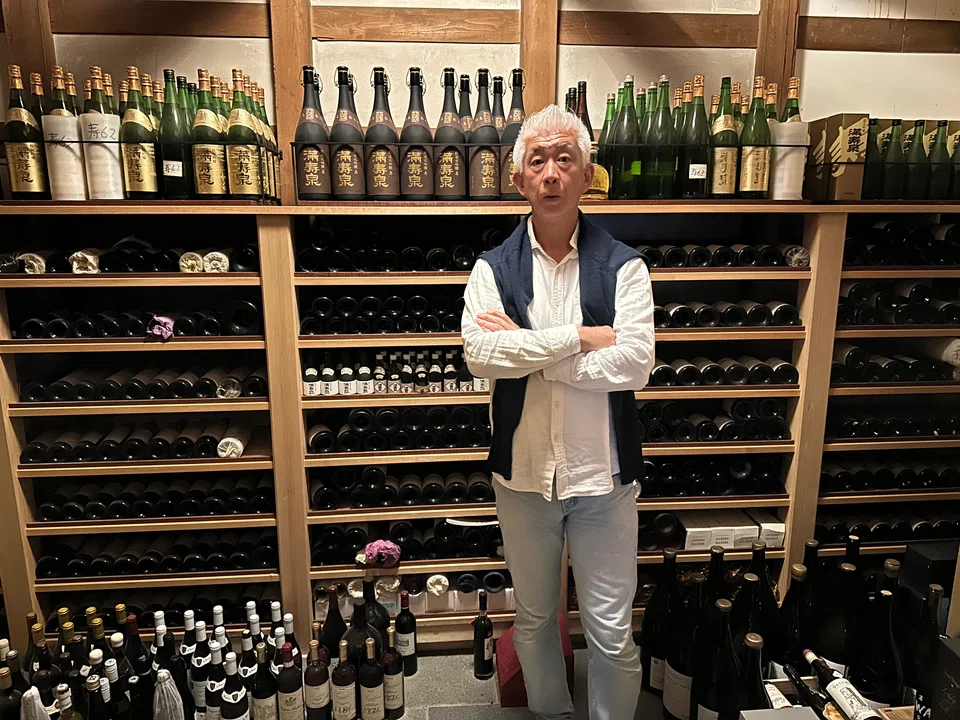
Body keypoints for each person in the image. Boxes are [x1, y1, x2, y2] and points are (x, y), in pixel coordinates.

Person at [460, 104, 656, 720]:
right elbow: (480, 354)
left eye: (564, 159)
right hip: (522, 479)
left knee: (611, 629)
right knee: (537, 619)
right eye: (537, 160)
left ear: (586, 173)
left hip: (604, 480)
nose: (550, 173)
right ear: (519, 180)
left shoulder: (625, 266)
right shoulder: (491, 268)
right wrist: (579, 337)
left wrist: (532, 349)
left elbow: (635, 364)